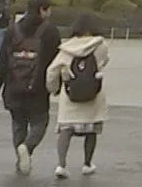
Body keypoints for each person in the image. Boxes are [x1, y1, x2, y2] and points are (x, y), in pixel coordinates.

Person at [0, 0, 60, 175]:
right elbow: (56, 62)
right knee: (40, 122)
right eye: (48, 8)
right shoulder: (50, 31)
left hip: (13, 86)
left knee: (18, 123)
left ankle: (20, 160)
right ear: (42, 10)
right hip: (37, 87)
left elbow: (2, 60)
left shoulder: (12, 29)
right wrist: (56, 86)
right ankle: (27, 149)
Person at [45, 14, 108, 178]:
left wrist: (53, 88)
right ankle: (87, 163)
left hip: (70, 94)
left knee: (66, 129)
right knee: (91, 130)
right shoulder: (101, 45)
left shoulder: (66, 49)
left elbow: (51, 70)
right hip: (93, 94)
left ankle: (61, 165)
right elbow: (105, 61)